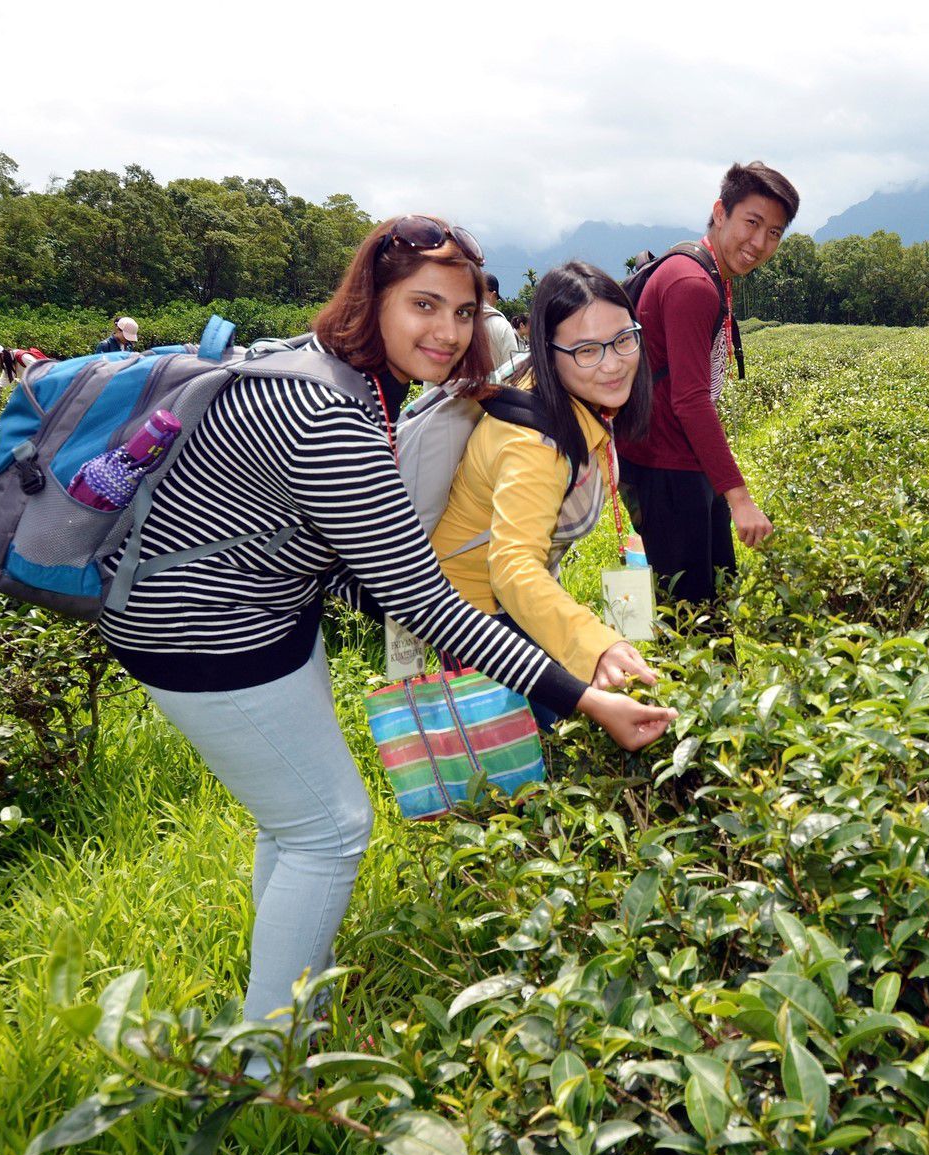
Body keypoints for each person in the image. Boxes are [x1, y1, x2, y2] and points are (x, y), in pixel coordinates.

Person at [95, 215, 676, 1041]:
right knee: (331, 829)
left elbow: (358, 561)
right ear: (372, 298)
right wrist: (585, 695)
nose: (447, 331)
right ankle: (270, 1059)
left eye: (465, 312)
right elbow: (426, 597)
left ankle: (294, 995)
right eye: (424, 306)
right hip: (201, 625)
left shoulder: (356, 379)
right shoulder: (323, 410)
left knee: (292, 822)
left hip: (268, 607)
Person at [433, 261, 657, 690]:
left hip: (509, 605)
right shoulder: (534, 444)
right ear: (548, 351)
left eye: (623, 339)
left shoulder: (574, 399)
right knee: (525, 743)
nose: (613, 364)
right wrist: (595, 644)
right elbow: (512, 566)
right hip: (477, 617)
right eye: (587, 350)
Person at [616, 161, 799, 606]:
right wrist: (740, 499)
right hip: (668, 472)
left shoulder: (702, 269)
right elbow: (692, 401)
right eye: (751, 223)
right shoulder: (692, 283)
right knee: (694, 621)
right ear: (721, 212)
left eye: (774, 233)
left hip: (678, 466)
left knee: (713, 605)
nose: (759, 243)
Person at [481, 272, 520, 367]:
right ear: (493, 295)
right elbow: (513, 368)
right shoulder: (501, 325)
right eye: (496, 299)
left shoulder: (460, 320)